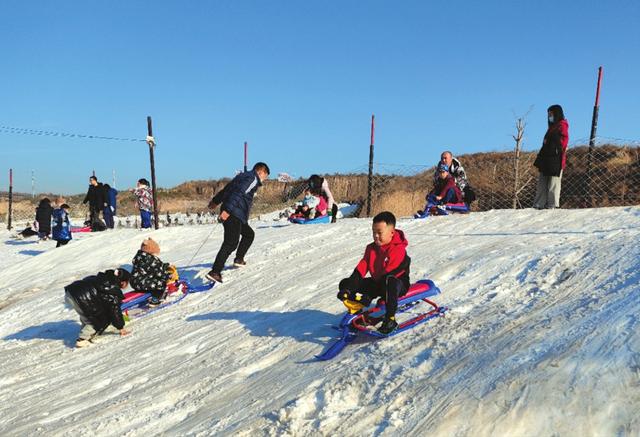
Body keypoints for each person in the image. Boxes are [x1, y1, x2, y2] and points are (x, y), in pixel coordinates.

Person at [336, 211, 410, 335]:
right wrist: (347, 289)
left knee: (389, 281)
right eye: (373, 232)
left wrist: (369, 295)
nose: (375, 236)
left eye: (379, 233)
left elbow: (389, 274)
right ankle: (357, 311)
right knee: (345, 282)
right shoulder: (371, 248)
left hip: (397, 284)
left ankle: (390, 319)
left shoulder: (398, 249)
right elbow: (360, 270)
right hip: (378, 283)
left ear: (392, 233)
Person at [206, 162, 271, 283]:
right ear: (261, 172)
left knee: (249, 234)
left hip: (237, 214)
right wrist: (227, 211)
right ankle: (215, 272)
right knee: (230, 243)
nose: (264, 179)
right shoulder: (253, 179)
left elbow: (227, 190)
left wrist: (215, 201)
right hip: (234, 213)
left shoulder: (242, 176)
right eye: (265, 176)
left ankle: (239, 259)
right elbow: (238, 194)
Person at [64, 268, 131, 348]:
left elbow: (87, 280)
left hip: (72, 292)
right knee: (98, 319)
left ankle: (87, 332)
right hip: (81, 298)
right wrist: (120, 327)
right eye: (127, 282)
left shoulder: (103, 278)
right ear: (122, 282)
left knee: (88, 314)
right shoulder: (113, 290)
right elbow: (114, 311)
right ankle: (82, 339)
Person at [533, 104, 569, 209]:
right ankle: (538, 204)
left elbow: (563, 141)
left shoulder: (562, 125)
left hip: (556, 160)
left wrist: (553, 146)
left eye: (551, 114)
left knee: (553, 183)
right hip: (547, 159)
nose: (549, 117)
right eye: (548, 115)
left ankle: (552, 205)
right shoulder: (552, 127)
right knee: (542, 183)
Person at [130, 238, 174, 306]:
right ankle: (156, 300)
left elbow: (155, 267)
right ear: (150, 250)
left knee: (154, 281)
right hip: (143, 283)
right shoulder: (150, 259)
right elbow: (158, 272)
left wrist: (165, 265)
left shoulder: (140, 256)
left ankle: (152, 295)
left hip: (135, 282)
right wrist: (168, 276)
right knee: (161, 283)